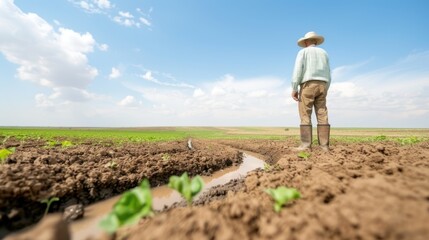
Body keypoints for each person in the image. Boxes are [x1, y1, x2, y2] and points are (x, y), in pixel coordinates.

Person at [291, 31, 331, 151]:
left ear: (306, 42)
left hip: (308, 84)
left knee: (305, 114)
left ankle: (305, 145)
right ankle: (324, 146)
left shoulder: (303, 52)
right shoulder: (324, 53)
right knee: (322, 113)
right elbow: (329, 73)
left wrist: (294, 88)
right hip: (323, 84)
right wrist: (326, 87)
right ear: (315, 41)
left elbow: (298, 71)